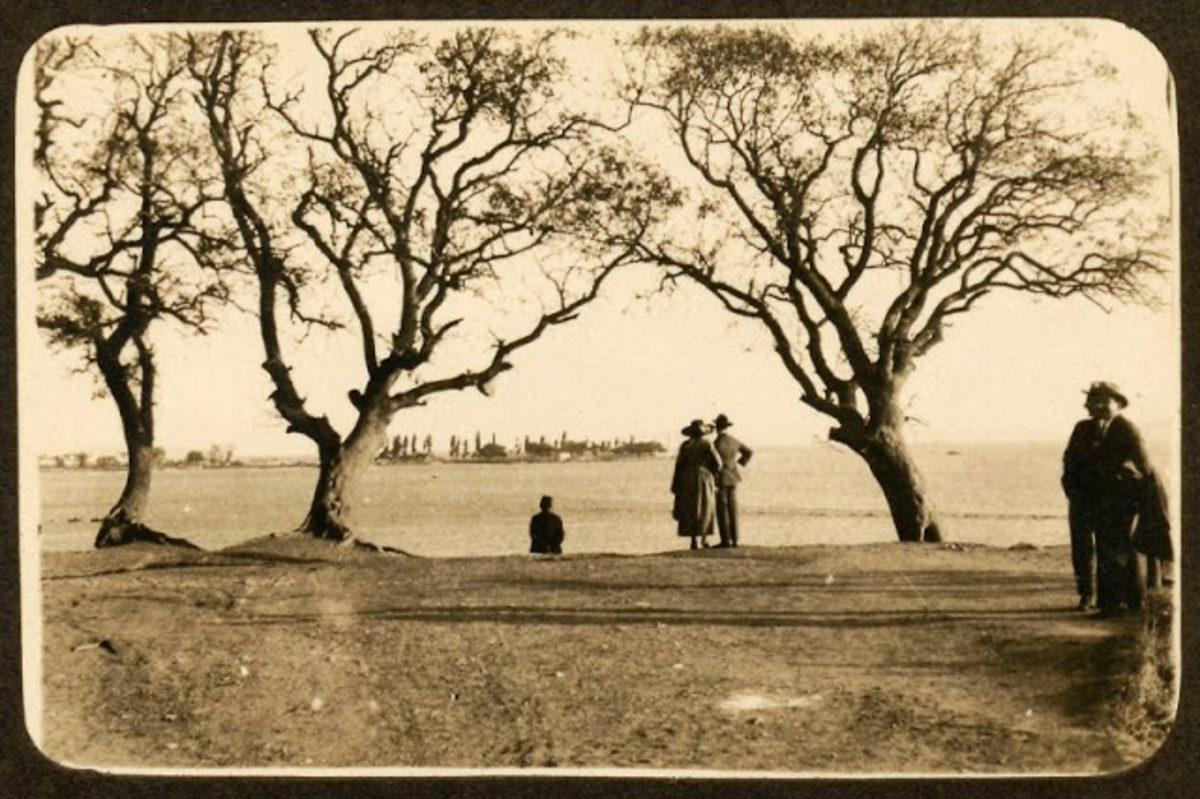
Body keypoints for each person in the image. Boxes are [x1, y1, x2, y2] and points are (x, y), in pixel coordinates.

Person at [1061, 381, 1150, 617]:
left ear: (1118, 404)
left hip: (1114, 501)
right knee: (1082, 547)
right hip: (1082, 498)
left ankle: (1127, 601)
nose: (1095, 405)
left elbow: (1145, 466)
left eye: (1103, 400)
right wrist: (1071, 489)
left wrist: (1141, 497)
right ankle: (1087, 594)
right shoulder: (1082, 428)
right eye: (1093, 400)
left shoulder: (1127, 429)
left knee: (1114, 549)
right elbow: (1069, 460)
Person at [671, 419, 722, 550]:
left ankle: (693, 540)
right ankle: (704, 538)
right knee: (705, 507)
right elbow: (718, 463)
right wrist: (710, 474)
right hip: (703, 478)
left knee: (690, 508)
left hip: (686, 479)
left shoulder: (685, 445)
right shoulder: (707, 444)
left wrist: (676, 485)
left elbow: (679, 465)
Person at [712, 413, 754, 548]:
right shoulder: (734, 441)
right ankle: (735, 539)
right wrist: (739, 463)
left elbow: (711, 462)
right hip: (734, 477)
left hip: (720, 478)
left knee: (722, 510)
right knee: (733, 509)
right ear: (727, 427)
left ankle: (726, 540)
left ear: (717, 428)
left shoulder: (715, 443)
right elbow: (749, 452)